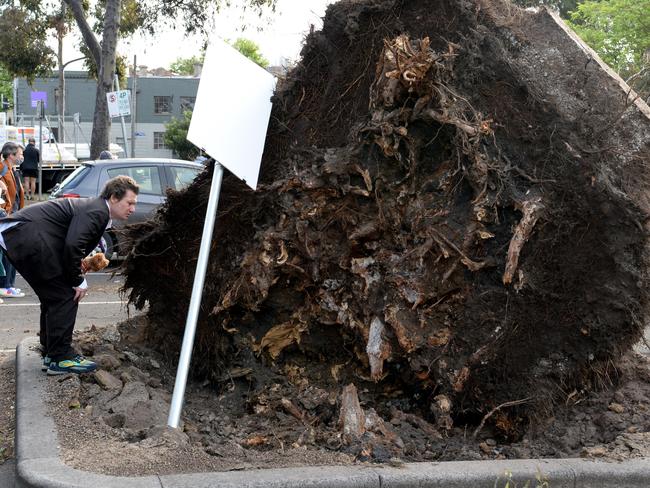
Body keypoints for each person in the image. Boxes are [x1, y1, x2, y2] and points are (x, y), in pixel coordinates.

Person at [0, 175, 139, 375]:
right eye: (130, 202)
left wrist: (75, 268)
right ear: (114, 198)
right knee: (65, 295)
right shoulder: (98, 210)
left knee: (54, 295)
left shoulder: (96, 208)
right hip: (25, 236)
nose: (133, 208)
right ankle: (60, 357)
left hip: (20, 235)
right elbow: (73, 244)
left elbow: (68, 241)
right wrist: (77, 280)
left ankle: (51, 351)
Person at [0, 142, 25, 298]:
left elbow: (17, 194)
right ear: (11, 155)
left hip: (13, 214)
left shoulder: (12, 170)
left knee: (13, 252)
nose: (22, 157)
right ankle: (5, 285)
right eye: (20, 154)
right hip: (6, 215)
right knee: (8, 252)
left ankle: (9, 284)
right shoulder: (2, 169)